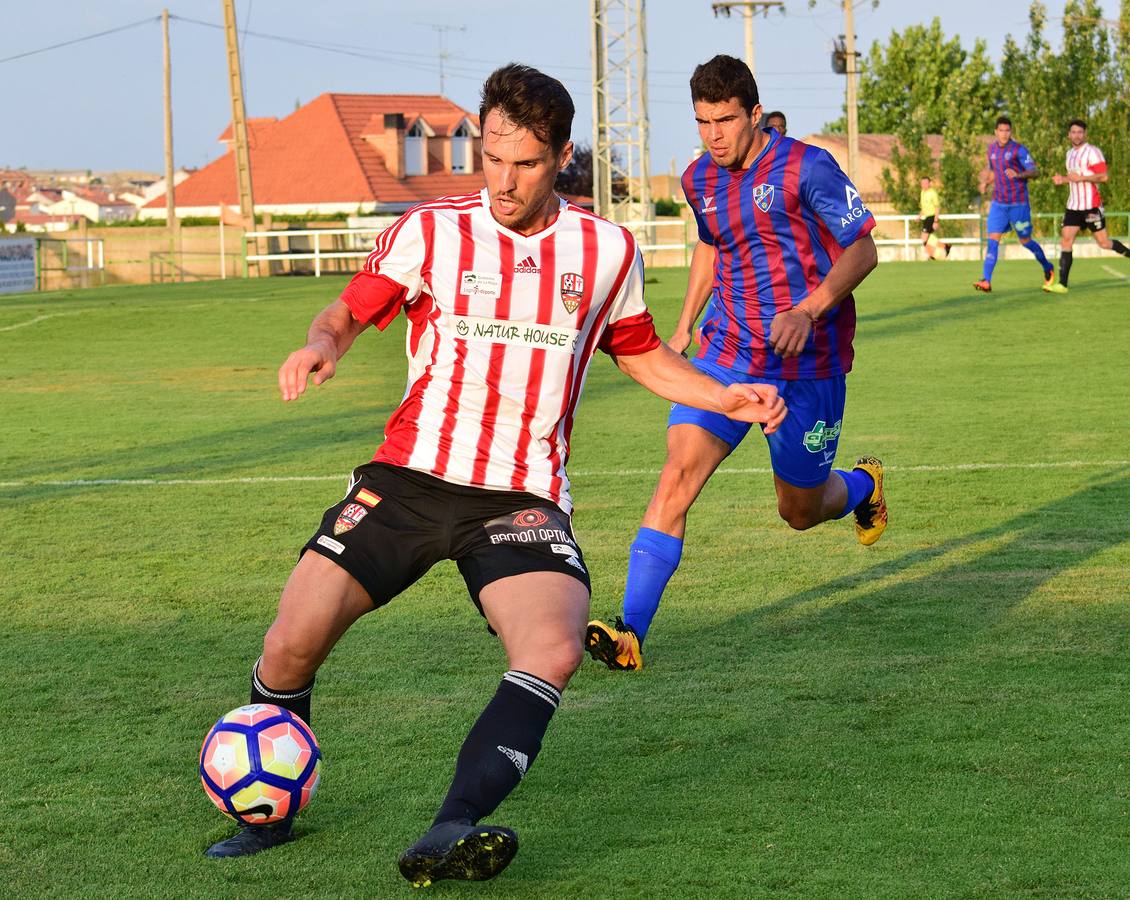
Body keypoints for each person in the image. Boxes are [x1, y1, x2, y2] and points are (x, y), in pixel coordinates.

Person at [202, 64, 787, 885]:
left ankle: (453, 827)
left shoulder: (604, 249)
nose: (505, 181)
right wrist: (322, 346)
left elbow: (643, 354)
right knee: (289, 642)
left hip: (522, 495)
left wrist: (725, 392)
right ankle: (270, 817)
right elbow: (346, 311)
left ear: (562, 157)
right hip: (408, 479)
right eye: (493, 157)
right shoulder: (431, 231)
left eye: (527, 164)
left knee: (551, 647)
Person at [585, 55, 883, 673]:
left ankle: (863, 486)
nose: (714, 135)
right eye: (702, 122)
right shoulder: (699, 179)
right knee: (676, 477)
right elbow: (710, 246)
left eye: (725, 120)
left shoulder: (807, 166)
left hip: (809, 363)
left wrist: (810, 309)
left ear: (754, 113)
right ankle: (629, 632)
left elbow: (863, 248)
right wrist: (685, 321)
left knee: (799, 512)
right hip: (726, 354)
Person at [1045, 118, 1130, 294]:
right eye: (1074, 132)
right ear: (1069, 135)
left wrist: (1081, 178)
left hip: (1091, 207)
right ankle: (1062, 284)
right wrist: (1063, 179)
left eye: (1080, 132)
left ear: (1085, 134)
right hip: (1073, 206)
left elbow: (1104, 177)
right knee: (1066, 240)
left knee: (1104, 243)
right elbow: (1073, 178)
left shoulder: (1092, 152)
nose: (1077, 135)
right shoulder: (1069, 154)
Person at [973, 116, 1055, 294]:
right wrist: (986, 183)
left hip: (1018, 204)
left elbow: (1035, 172)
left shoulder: (1019, 150)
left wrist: (1018, 175)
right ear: (995, 132)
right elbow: (995, 171)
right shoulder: (992, 149)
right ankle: (986, 280)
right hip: (999, 204)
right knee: (992, 240)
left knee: (1025, 241)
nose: (1004, 134)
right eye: (1001, 130)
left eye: (1007, 130)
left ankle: (1048, 267)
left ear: (1011, 132)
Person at [919, 176, 951, 259]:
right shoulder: (922, 192)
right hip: (926, 217)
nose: (924, 185)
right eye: (922, 183)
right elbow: (924, 207)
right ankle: (944, 247)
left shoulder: (933, 193)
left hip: (931, 216)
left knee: (924, 237)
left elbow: (937, 207)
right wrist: (919, 216)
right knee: (927, 237)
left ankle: (932, 254)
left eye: (926, 183)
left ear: (929, 183)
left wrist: (936, 221)